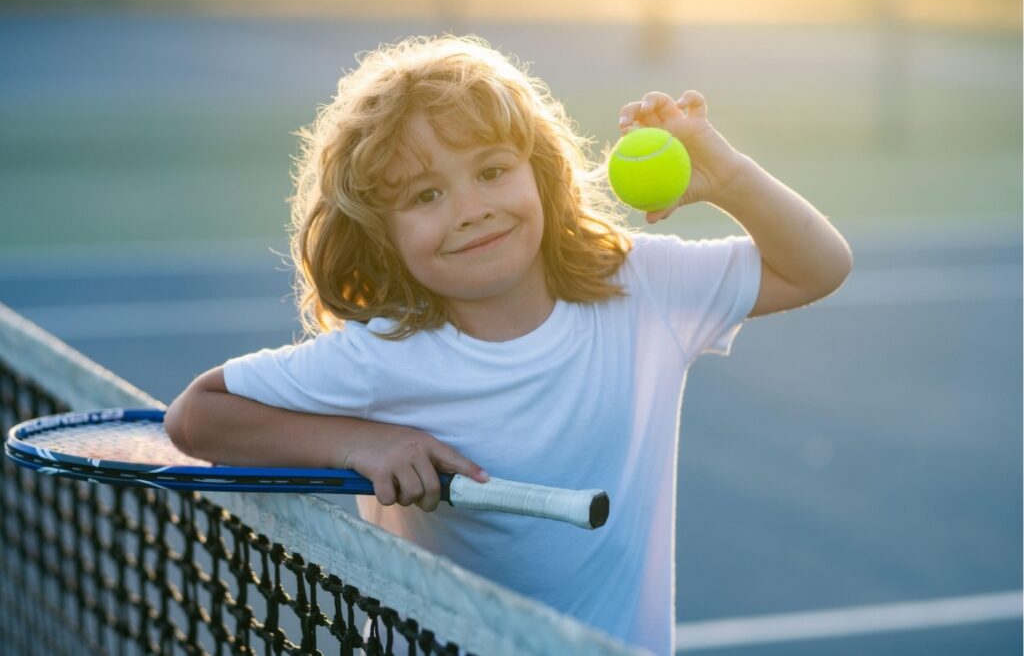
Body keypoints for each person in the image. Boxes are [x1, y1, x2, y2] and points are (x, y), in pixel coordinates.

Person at [165, 34, 852, 654]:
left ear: (541, 174)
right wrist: (360, 443)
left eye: (492, 171)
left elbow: (818, 265)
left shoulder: (640, 286)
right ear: (384, 234)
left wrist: (726, 175)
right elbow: (197, 416)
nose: (471, 209)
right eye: (426, 194)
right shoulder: (386, 351)